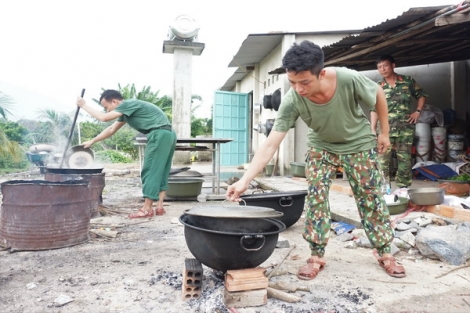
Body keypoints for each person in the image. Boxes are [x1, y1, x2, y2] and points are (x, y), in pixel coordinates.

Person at [226, 40, 406, 280]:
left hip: (359, 144)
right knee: (316, 201)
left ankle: (385, 253)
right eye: (292, 82)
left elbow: (378, 94)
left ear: (321, 73)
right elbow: (270, 143)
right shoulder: (293, 99)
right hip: (322, 147)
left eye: (305, 82)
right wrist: (245, 180)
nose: (298, 89)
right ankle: (316, 255)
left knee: (370, 197)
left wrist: (384, 131)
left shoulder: (348, 78)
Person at [76, 89, 177, 218]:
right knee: (161, 170)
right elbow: (111, 128)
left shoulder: (128, 104)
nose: (107, 111)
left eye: (106, 107)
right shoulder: (127, 110)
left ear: (115, 101)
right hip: (168, 133)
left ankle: (146, 209)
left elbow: (104, 118)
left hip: (159, 134)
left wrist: (83, 105)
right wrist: (93, 140)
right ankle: (159, 207)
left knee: (150, 170)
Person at [372, 55, 429, 188]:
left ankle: (403, 190)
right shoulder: (378, 86)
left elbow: (422, 95)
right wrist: (373, 129)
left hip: (405, 129)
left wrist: (418, 111)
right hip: (385, 131)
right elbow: (373, 108)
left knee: (404, 161)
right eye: (379, 67)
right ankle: (383, 190)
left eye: (385, 65)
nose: (382, 69)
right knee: (382, 161)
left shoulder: (407, 81)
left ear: (393, 65)